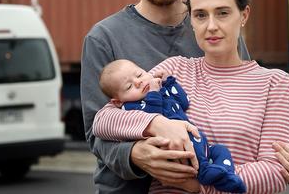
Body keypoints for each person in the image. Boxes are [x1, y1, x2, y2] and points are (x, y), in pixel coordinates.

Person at [80, 0, 289, 193]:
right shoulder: (105, 38)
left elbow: (248, 105)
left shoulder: (220, 36)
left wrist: (280, 166)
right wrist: (139, 152)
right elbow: (96, 132)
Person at [98, 59, 247, 193]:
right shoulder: (130, 107)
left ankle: (226, 174)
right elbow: (152, 114)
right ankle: (206, 172)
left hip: (199, 141)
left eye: (139, 75)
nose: (138, 83)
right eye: (129, 86)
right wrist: (154, 92)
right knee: (197, 157)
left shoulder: (160, 90)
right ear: (117, 101)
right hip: (176, 150)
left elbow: (184, 102)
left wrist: (169, 82)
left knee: (220, 150)